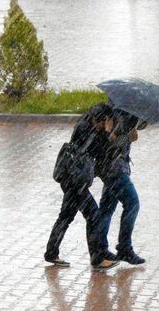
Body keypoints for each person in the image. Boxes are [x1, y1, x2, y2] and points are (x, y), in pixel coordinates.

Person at [44, 103, 118, 269]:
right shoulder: (90, 131)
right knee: (93, 216)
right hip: (76, 182)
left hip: (70, 178)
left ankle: (51, 252)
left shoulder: (84, 125)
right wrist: (107, 133)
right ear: (103, 119)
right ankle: (97, 259)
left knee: (66, 216)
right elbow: (102, 152)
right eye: (108, 120)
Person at [96, 110, 147, 265]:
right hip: (115, 169)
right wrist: (124, 136)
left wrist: (132, 130)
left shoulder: (126, 113)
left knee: (106, 209)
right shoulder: (116, 115)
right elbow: (110, 142)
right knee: (132, 204)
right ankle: (124, 247)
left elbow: (135, 134)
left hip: (112, 168)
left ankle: (99, 250)